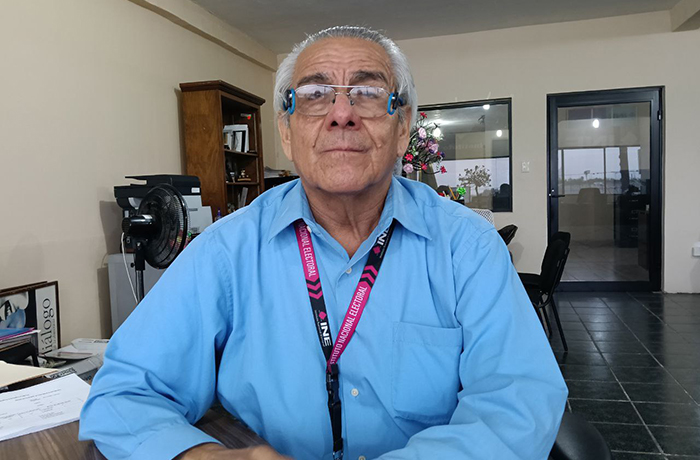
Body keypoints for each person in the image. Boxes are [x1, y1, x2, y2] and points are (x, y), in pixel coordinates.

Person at [80, 26, 567, 460]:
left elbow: (519, 402)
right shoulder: (225, 251)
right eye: (315, 94)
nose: (342, 114)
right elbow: (124, 393)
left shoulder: (469, 248)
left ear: (402, 127)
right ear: (287, 131)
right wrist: (203, 457)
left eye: (367, 92)